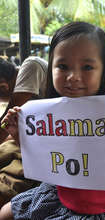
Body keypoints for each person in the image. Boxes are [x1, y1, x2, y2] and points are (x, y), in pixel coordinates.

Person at [0, 21, 105, 220]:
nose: (73, 76)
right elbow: (44, 161)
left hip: (100, 209)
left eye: (87, 67)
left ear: (104, 70)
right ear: (51, 67)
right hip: (54, 194)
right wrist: (20, 136)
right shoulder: (46, 114)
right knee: (5, 213)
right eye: (62, 66)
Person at [0, 56, 48, 208]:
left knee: (5, 189)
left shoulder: (31, 65)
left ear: (3, 87)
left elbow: (5, 124)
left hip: (48, 148)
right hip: (34, 141)